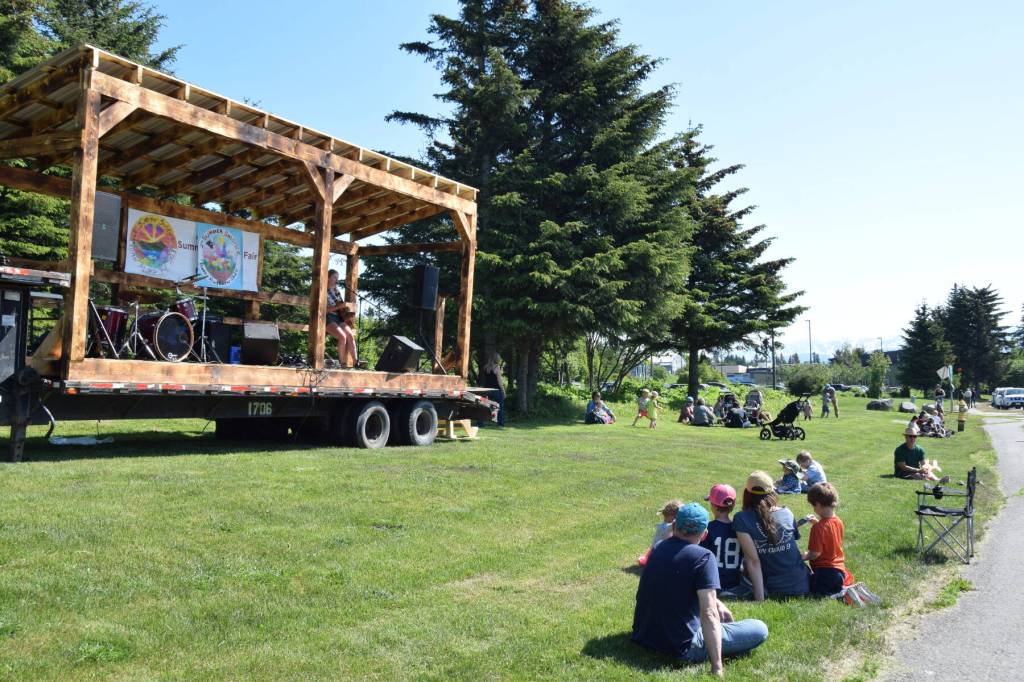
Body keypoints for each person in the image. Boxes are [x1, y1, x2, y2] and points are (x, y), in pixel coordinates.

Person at [632, 503, 769, 675]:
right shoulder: (704, 557)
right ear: (704, 534)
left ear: (674, 526)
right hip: (681, 646)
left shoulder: (659, 548)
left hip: (644, 635)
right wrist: (717, 666)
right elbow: (709, 614)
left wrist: (717, 601)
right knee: (759, 628)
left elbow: (673, 584)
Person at [733, 471, 810, 600]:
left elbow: (753, 561)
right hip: (803, 583)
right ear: (772, 492)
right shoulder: (787, 512)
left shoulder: (741, 519)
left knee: (745, 562)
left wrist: (760, 600)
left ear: (747, 493)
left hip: (775, 588)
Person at [801, 482, 855, 597]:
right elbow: (829, 535)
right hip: (839, 570)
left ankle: (838, 592)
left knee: (809, 588)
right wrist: (817, 523)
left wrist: (804, 557)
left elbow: (815, 554)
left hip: (825, 573)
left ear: (818, 504)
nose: (814, 509)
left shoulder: (818, 528)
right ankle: (839, 586)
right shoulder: (838, 521)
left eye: (813, 505)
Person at [700, 484, 752, 599]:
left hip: (714, 580)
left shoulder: (709, 528)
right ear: (733, 505)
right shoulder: (740, 529)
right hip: (734, 580)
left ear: (713, 506)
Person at [639, 500, 683, 566]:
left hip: (656, 549)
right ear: (672, 517)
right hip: (661, 551)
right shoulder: (668, 527)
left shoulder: (662, 525)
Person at [324, 269, 354, 365]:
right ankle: (343, 363)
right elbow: (323, 310)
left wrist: (346, 309)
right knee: (342, 336)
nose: (336, 280)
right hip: (328, 317)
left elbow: (340, 308)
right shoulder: (323, 291)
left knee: (350, 335)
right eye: (334, 277)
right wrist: (339, 307)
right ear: (328, 278)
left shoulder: (337, 292)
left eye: (337, 278)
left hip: (339, 318)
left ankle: (356, 362)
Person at [481, 354, 506, 426]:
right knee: (500, 406)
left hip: (486, 390)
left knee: (484, 407)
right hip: (496, 390)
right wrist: (503, 391)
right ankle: (500, 423)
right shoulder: (497, 368)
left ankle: (480, 423)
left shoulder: (485, 367)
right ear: (497, 359)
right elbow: (500, 382)